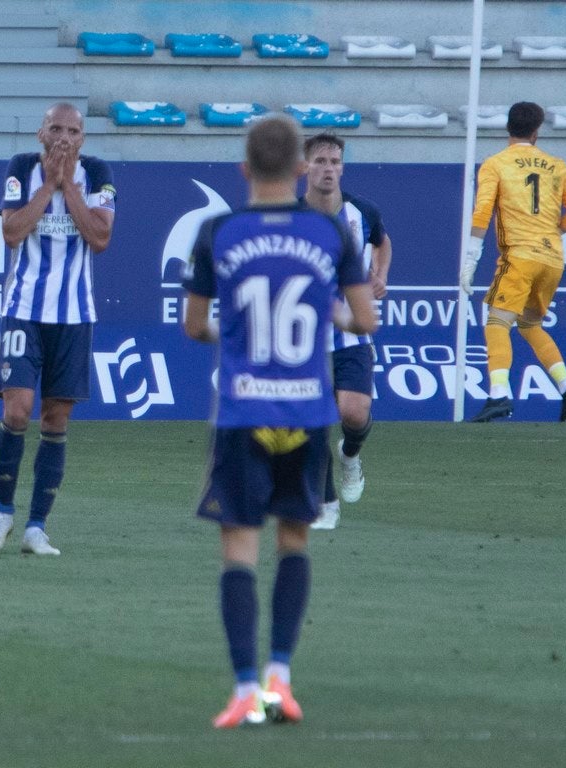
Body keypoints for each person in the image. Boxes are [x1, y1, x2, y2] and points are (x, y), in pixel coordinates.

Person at [183, 115, 377, 728]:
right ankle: (282, 681)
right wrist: (338, 318)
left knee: (239, 548)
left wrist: (229, 332)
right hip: (306, 409)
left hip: (244, 410)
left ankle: (243, 689)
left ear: (244, 170)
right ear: (300, 170)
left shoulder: (218, 231)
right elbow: (364, 320)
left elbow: (194, 326)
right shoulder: (328, 232)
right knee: (295, 541)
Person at [0, 102, 116, 555]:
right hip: (24, 309)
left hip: (75, 316)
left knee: (55, 419)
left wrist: (68, 188)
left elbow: (99, 238)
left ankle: (37, 527)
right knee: (17, 411)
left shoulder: (98, 173)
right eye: (54, 128)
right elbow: (12, 232)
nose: (62, 137)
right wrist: (49, 187)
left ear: (83, 138)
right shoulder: (20, 168)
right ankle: (2, 513)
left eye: (72, 131)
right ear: (40, 133)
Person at [460, 101, 566, 423]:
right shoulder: (557, 165)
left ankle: (499, 394)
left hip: (520, 255)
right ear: (536, 131)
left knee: (497, 322)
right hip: (553, 258)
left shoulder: (496, 163)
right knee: (530, 325)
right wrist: (555, 229)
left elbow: (483, 211)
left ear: (508, 128)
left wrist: (471, 257)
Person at [301, 133, 392, 530]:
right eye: (320, 161)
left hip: (350, 331)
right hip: (302, 335)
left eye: (335, 162)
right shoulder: (288, 214)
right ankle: (325, 504)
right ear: (305, 167)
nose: (328, 169)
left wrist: (379, 273)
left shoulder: (361, 211)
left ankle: (351, 456)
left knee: (353, 413)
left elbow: (382, 241)